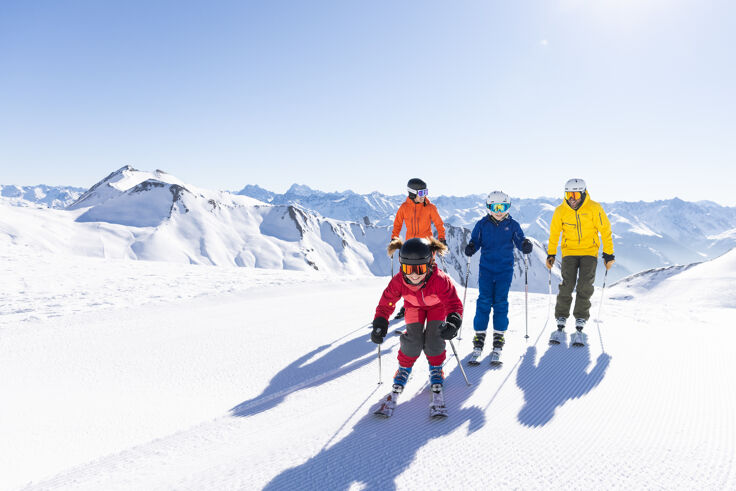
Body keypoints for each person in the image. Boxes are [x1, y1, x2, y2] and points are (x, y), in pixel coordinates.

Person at [371, 237, 462, 396]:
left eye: (419, 269)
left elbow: (453, 303)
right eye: (407, 268)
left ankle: (436, 369)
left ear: (429, 264)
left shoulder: (439, 280)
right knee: (413, 340)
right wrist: (380, 322)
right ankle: (404, 369)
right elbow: (387, 303)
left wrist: (453, 322)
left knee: (435, 338)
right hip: (413, 306)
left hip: (436, 307)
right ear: (401, 265)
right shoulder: (399, 281)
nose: (413, 275)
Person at [464, 191, 532, 364]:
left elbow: (519, 240)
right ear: (489, 207)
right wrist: (471, 246)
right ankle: (479, 335)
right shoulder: (482, 224)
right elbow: (475, 241)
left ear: (508, 207)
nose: (499, 211)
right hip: (486, 269)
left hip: (504, 270)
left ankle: (499, 336)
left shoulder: (513, 225)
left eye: (503, 207)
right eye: (495, 207)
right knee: (484, 300)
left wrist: (525, 244)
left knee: (501, 302)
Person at [546, 178, 615, 346]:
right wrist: (551, 253)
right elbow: (554, 233)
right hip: (569, 252)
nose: (572, 198)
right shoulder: (560, 211)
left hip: (589, 252)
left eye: (576, 194)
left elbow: (605, 230)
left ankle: (580, 318)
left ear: (583, 193)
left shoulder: (594, 208)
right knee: (567, 285)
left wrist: (608, 253)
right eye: (569, 194)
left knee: (585, 285)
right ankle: (561, 317)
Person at [389, 178, 446, 319]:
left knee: (428, 274)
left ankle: (430, 302)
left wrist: (442, 238)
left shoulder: (430, 207)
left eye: (426, 192)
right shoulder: (404, 208)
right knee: (407, 276)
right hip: (410, 247)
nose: (424, 195)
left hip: (427, 246)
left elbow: (439, 224)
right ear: (412, 193)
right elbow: (397, 224)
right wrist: (394, 238)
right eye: (422, 192)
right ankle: (408, 303)